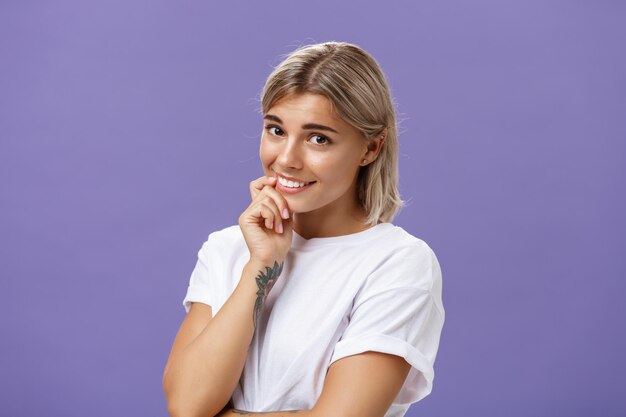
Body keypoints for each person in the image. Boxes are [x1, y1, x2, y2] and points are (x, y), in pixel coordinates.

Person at [162, 41, 444, 417]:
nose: (286, 160)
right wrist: (260, 267)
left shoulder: (398, 264)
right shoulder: (227, 249)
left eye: (318, 138)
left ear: (371, 148)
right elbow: (186, 406)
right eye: (276, 130)